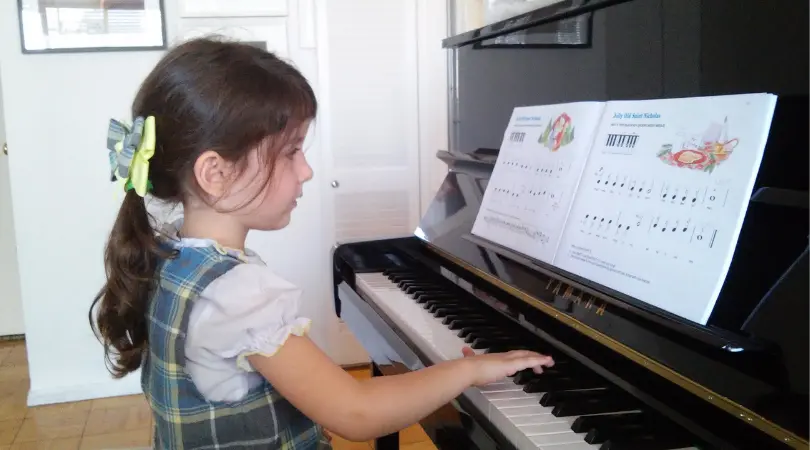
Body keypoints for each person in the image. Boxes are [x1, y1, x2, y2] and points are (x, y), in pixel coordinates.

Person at [89, 37, 554, 449]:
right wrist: (467, 371)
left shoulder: (171, 254)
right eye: (291, 151)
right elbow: (357, 413)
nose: (307, 170)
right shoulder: (237, 294)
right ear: (216, 173)